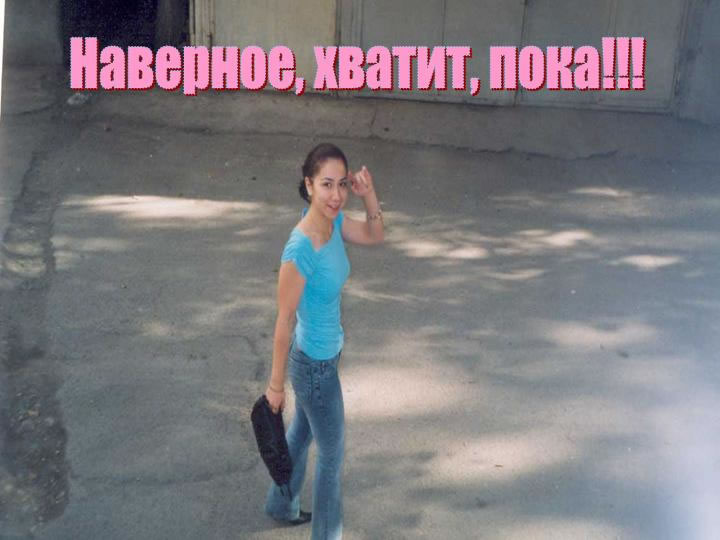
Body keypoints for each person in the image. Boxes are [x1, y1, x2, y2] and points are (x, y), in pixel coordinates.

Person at [264, 143, 384, 539]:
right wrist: (275, 386)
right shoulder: (301, 247)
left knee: (302, 433)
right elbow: (284, 320)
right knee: (332, 456)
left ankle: (280, 503)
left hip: (323, 357)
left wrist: (369, 194)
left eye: (342, 185)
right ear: (309, 185)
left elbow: (375, 234)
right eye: (326, 184)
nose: (336, 195)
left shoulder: (332, 224)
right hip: (313, 365)